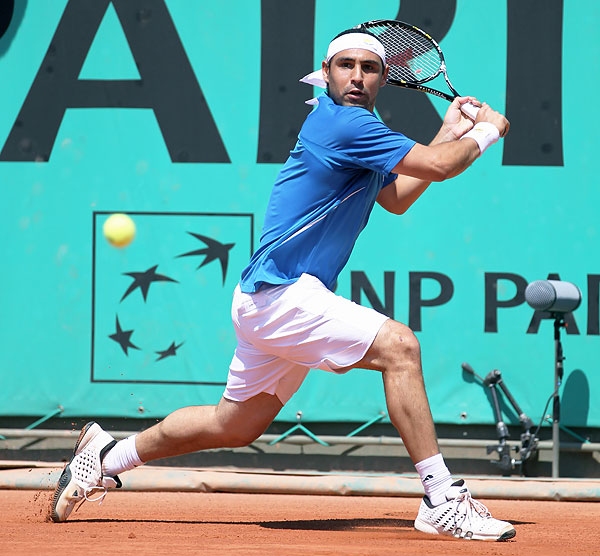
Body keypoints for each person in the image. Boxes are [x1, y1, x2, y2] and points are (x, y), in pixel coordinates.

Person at [50, 28, 515, 541]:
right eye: (346, 65)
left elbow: (397, 197)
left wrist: (449, 132)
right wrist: (487, 131)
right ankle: (442, 499)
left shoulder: (359, 128)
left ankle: (106, 457)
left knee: (234, 425)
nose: (356, 76)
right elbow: (440, 167)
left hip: (267, 299)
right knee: (400, 348)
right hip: (283, 293)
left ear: (384, 78)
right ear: (327, 71)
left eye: (369, 68)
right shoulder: (345, 124)